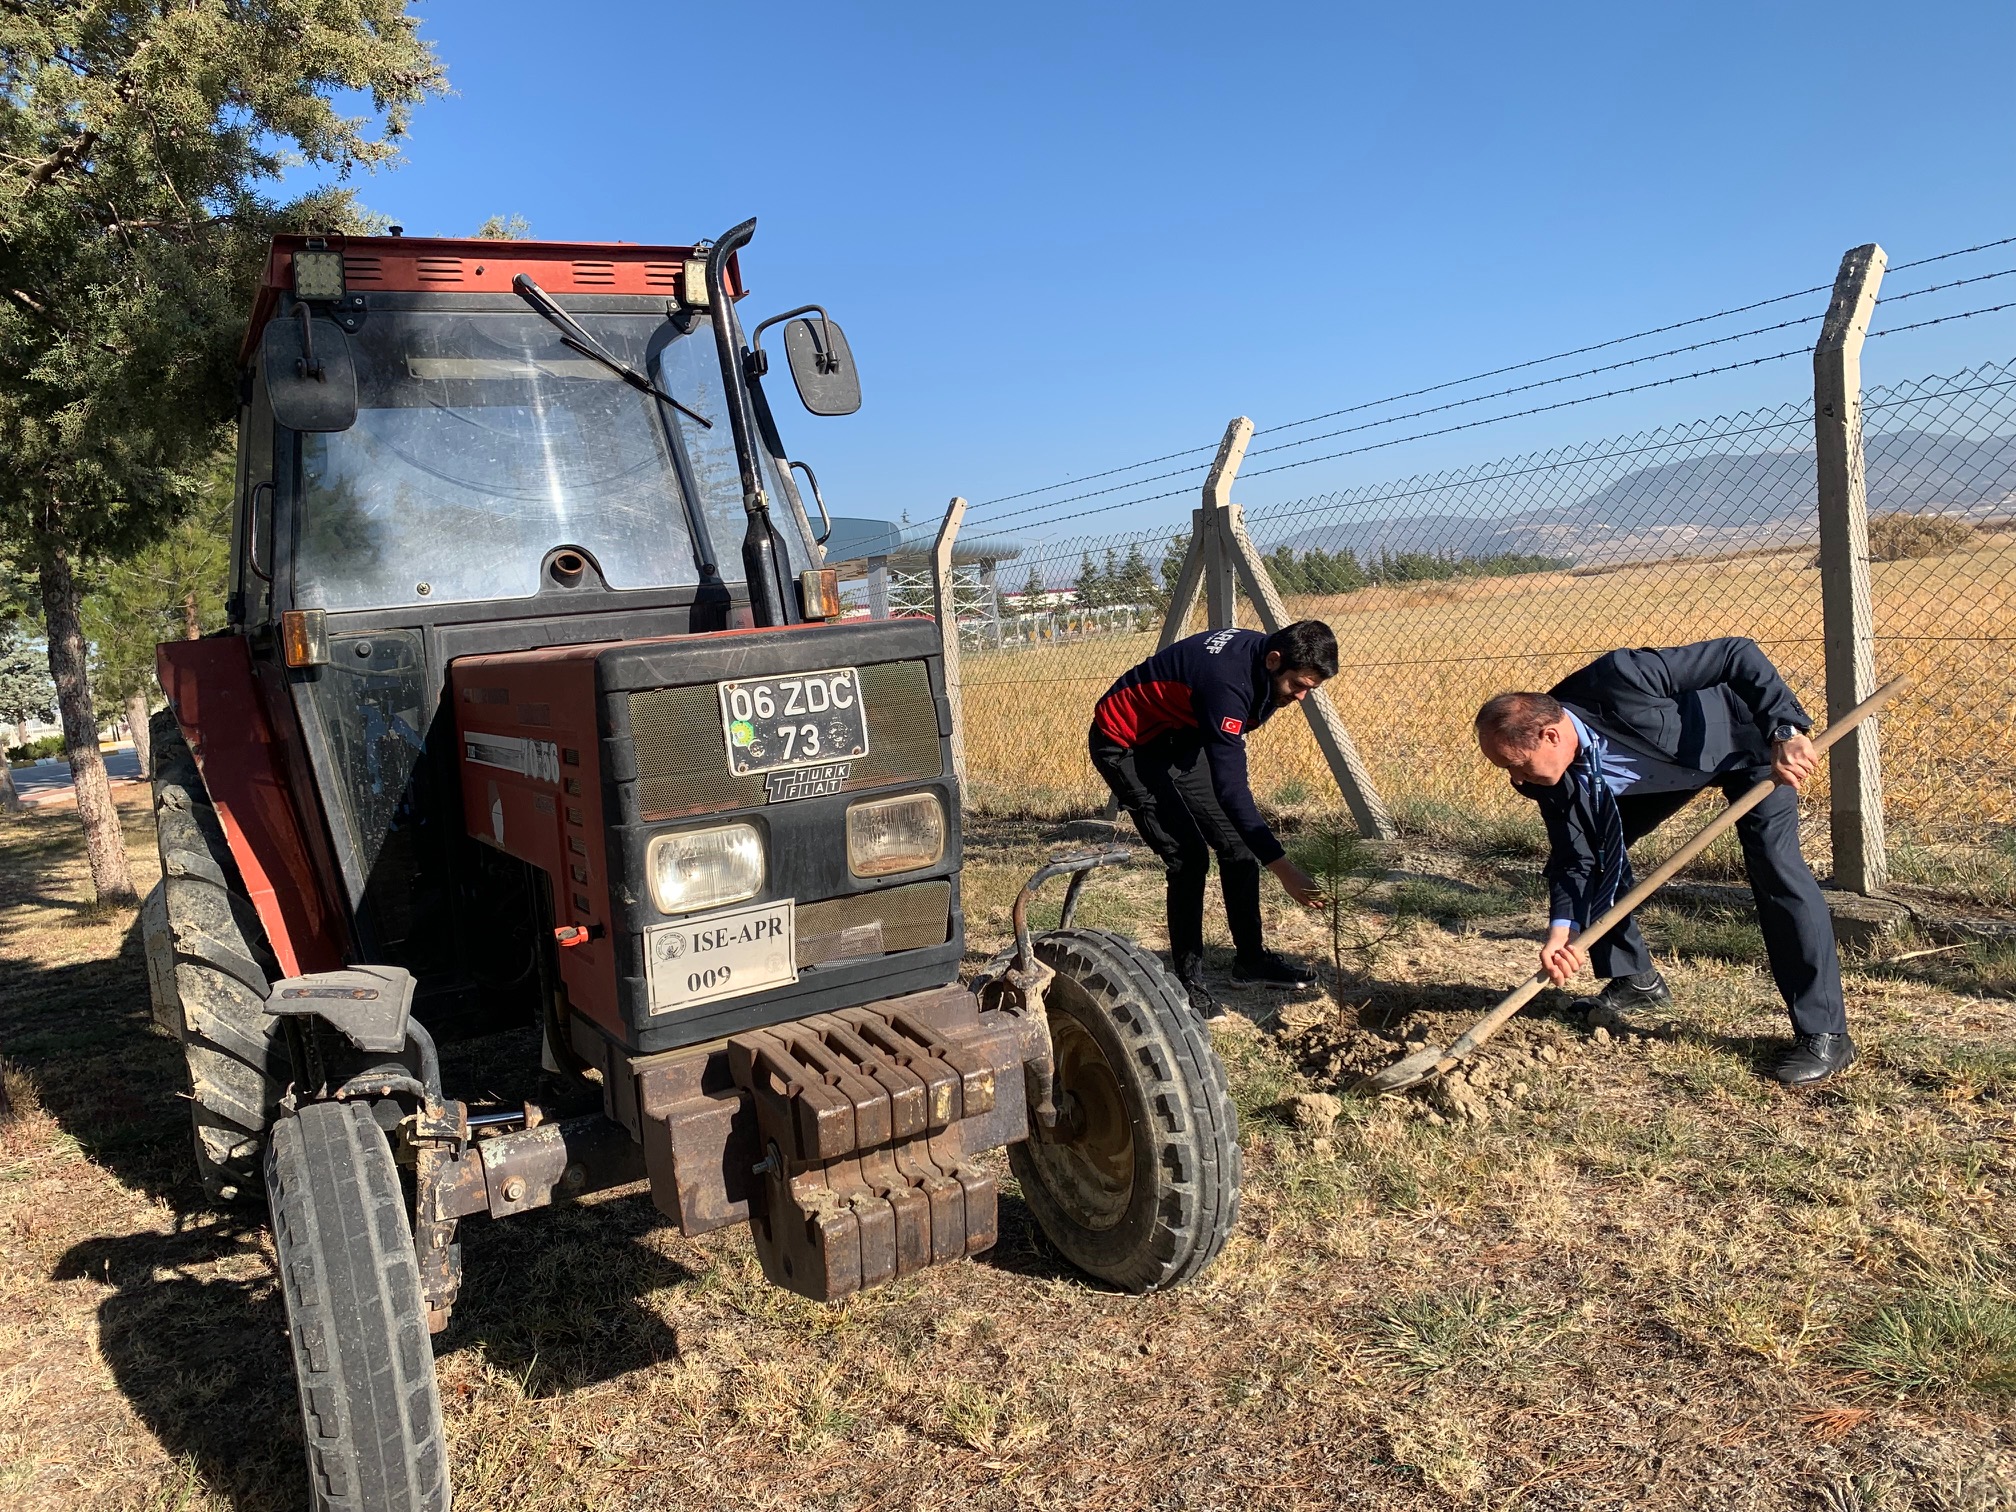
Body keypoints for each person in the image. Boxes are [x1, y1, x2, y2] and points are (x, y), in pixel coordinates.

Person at [1473, 637, 1853, 1086]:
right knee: (1597, 855)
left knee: (1777, 869)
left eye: (1518, 764)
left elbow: (1737, 654)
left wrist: (1784, 731)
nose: (1516, 778)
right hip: (1660, 775)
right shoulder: (1549, 777)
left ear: (1550, 735)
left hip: (1746, 746)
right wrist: (1563, 933)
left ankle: (1825, 1034)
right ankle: (1635, 979)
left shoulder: (1621, 677)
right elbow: (1574, 857)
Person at [1089, 619, 1333, 1015]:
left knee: (1236, 845)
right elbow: (1232, 792)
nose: (1303, 697)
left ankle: (1250, 962)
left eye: (1312, 688)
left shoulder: (1264, 664)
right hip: (1126, 743)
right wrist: (1285, 870)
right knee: (1188, 857)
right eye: (1298, 685)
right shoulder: (1227, 686)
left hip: (1178, 734)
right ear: (1274, 660)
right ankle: (1188, 983)